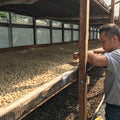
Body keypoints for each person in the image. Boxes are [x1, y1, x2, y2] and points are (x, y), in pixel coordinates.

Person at [73, 23, 120, 120]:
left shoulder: (117, 55)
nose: (101, 45)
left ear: (114, 39)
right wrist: (94, 51)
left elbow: (95, 60)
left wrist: (82, 53)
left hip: (116, 109)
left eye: (103, 41)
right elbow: (104, 50)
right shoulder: (115, 50)